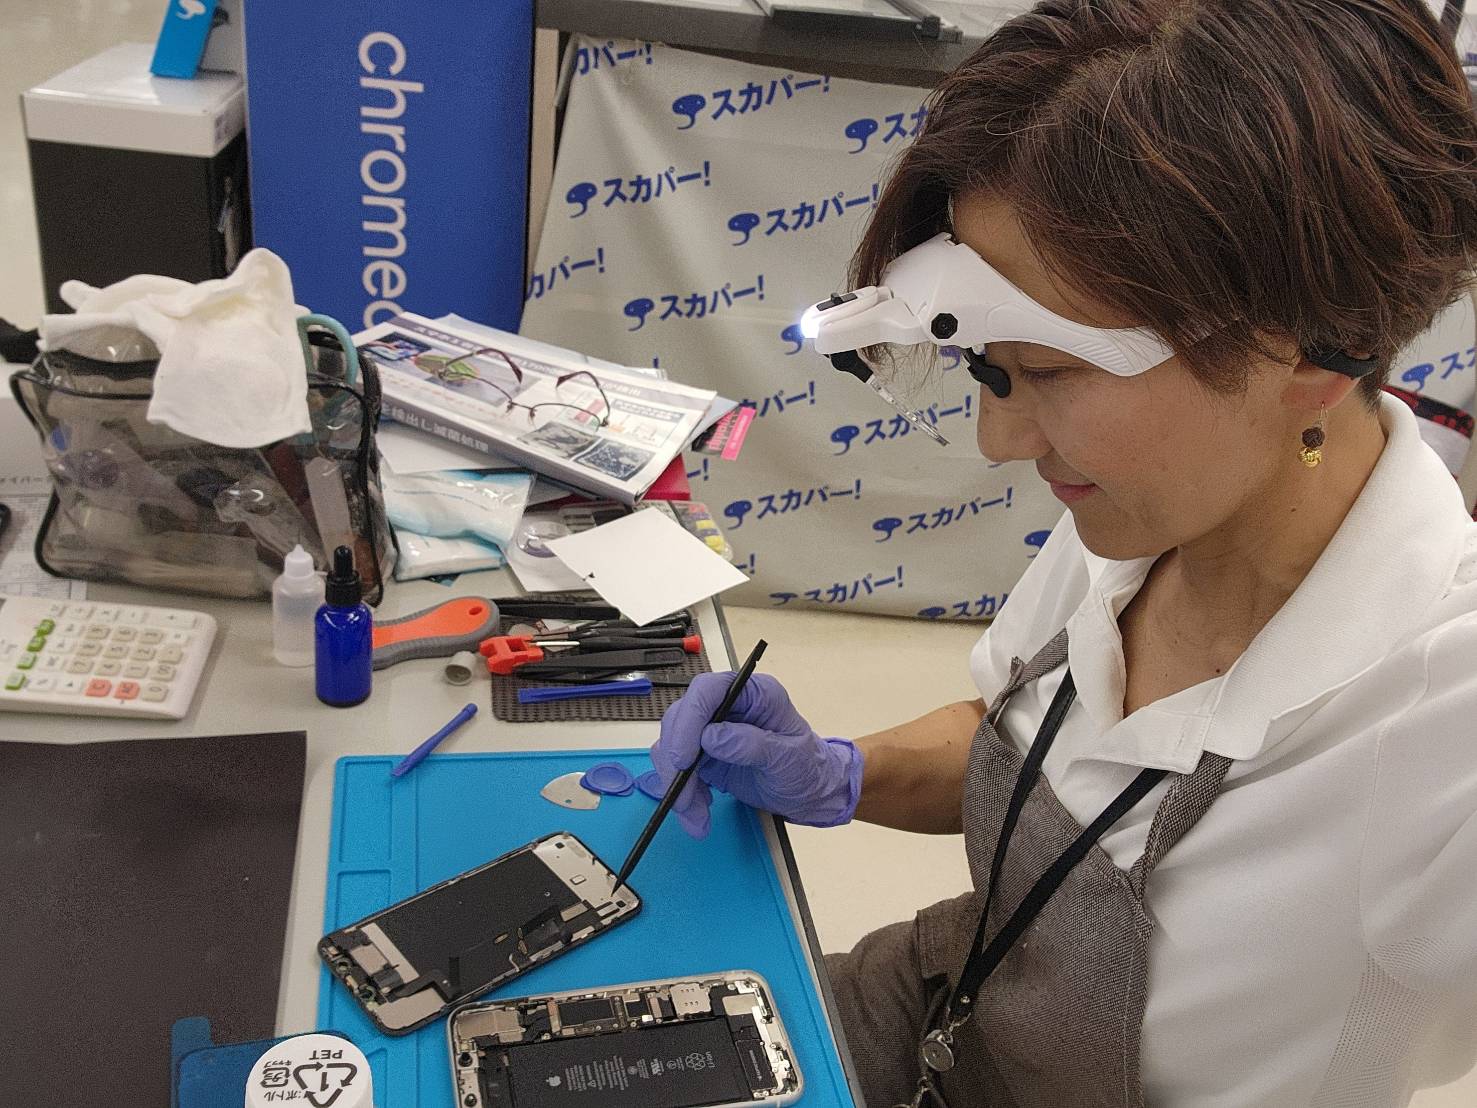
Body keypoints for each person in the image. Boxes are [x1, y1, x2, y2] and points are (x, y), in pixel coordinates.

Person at [648, 2, 1477, 1105]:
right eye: (989, 370)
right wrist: (842, 771)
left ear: (1316, 353)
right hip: (943, 1005)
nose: (998, 439)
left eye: (1048, 372)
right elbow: (1032, 747)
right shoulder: (1146, 518)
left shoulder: (1444, 723)